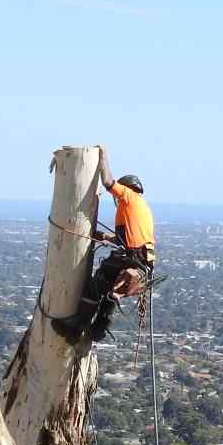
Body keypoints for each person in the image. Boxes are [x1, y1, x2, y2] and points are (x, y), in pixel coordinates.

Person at [52, 146, 156, 343]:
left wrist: (103, 157)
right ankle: (97, 330)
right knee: (108, 289)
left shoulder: (129, 197)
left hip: (132, 259)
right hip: (142, 261)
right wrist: (102, 236)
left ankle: (76, 327)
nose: (116, 198)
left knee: (96, 283)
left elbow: (108, 181)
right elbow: (125, 240)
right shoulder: (141, 209)